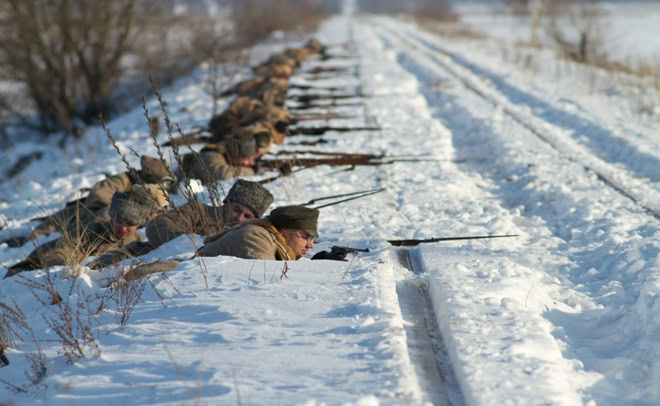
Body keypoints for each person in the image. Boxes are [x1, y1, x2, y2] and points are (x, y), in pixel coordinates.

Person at [4, 187, 165, 278]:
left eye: (129, 225)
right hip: (32, 267)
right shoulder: (92, 231)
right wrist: (72, 271)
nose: (123, 228)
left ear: (139, 225)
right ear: (112, 218)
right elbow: (61, 252)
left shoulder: (135, 240)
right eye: (119, 222)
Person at [27, 155, 174, 240]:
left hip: (118, 225)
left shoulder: (150, 192)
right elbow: (98, 197)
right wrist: (122, 210)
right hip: (83, 216)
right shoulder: (123, 181)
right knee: (39, 234)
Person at [145, 179, 274, 248]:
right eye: (237, 210)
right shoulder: (198, 211)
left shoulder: (251, 233)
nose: (239, 218)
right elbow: (157, 225)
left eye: (247, 216)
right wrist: (188, 241)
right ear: (227, 203)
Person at [197, 205, 319, 261]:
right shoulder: (255, 236)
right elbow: (266, 279)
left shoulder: (273, 239)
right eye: (306, 237)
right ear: (283, 233)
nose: (310, 245)